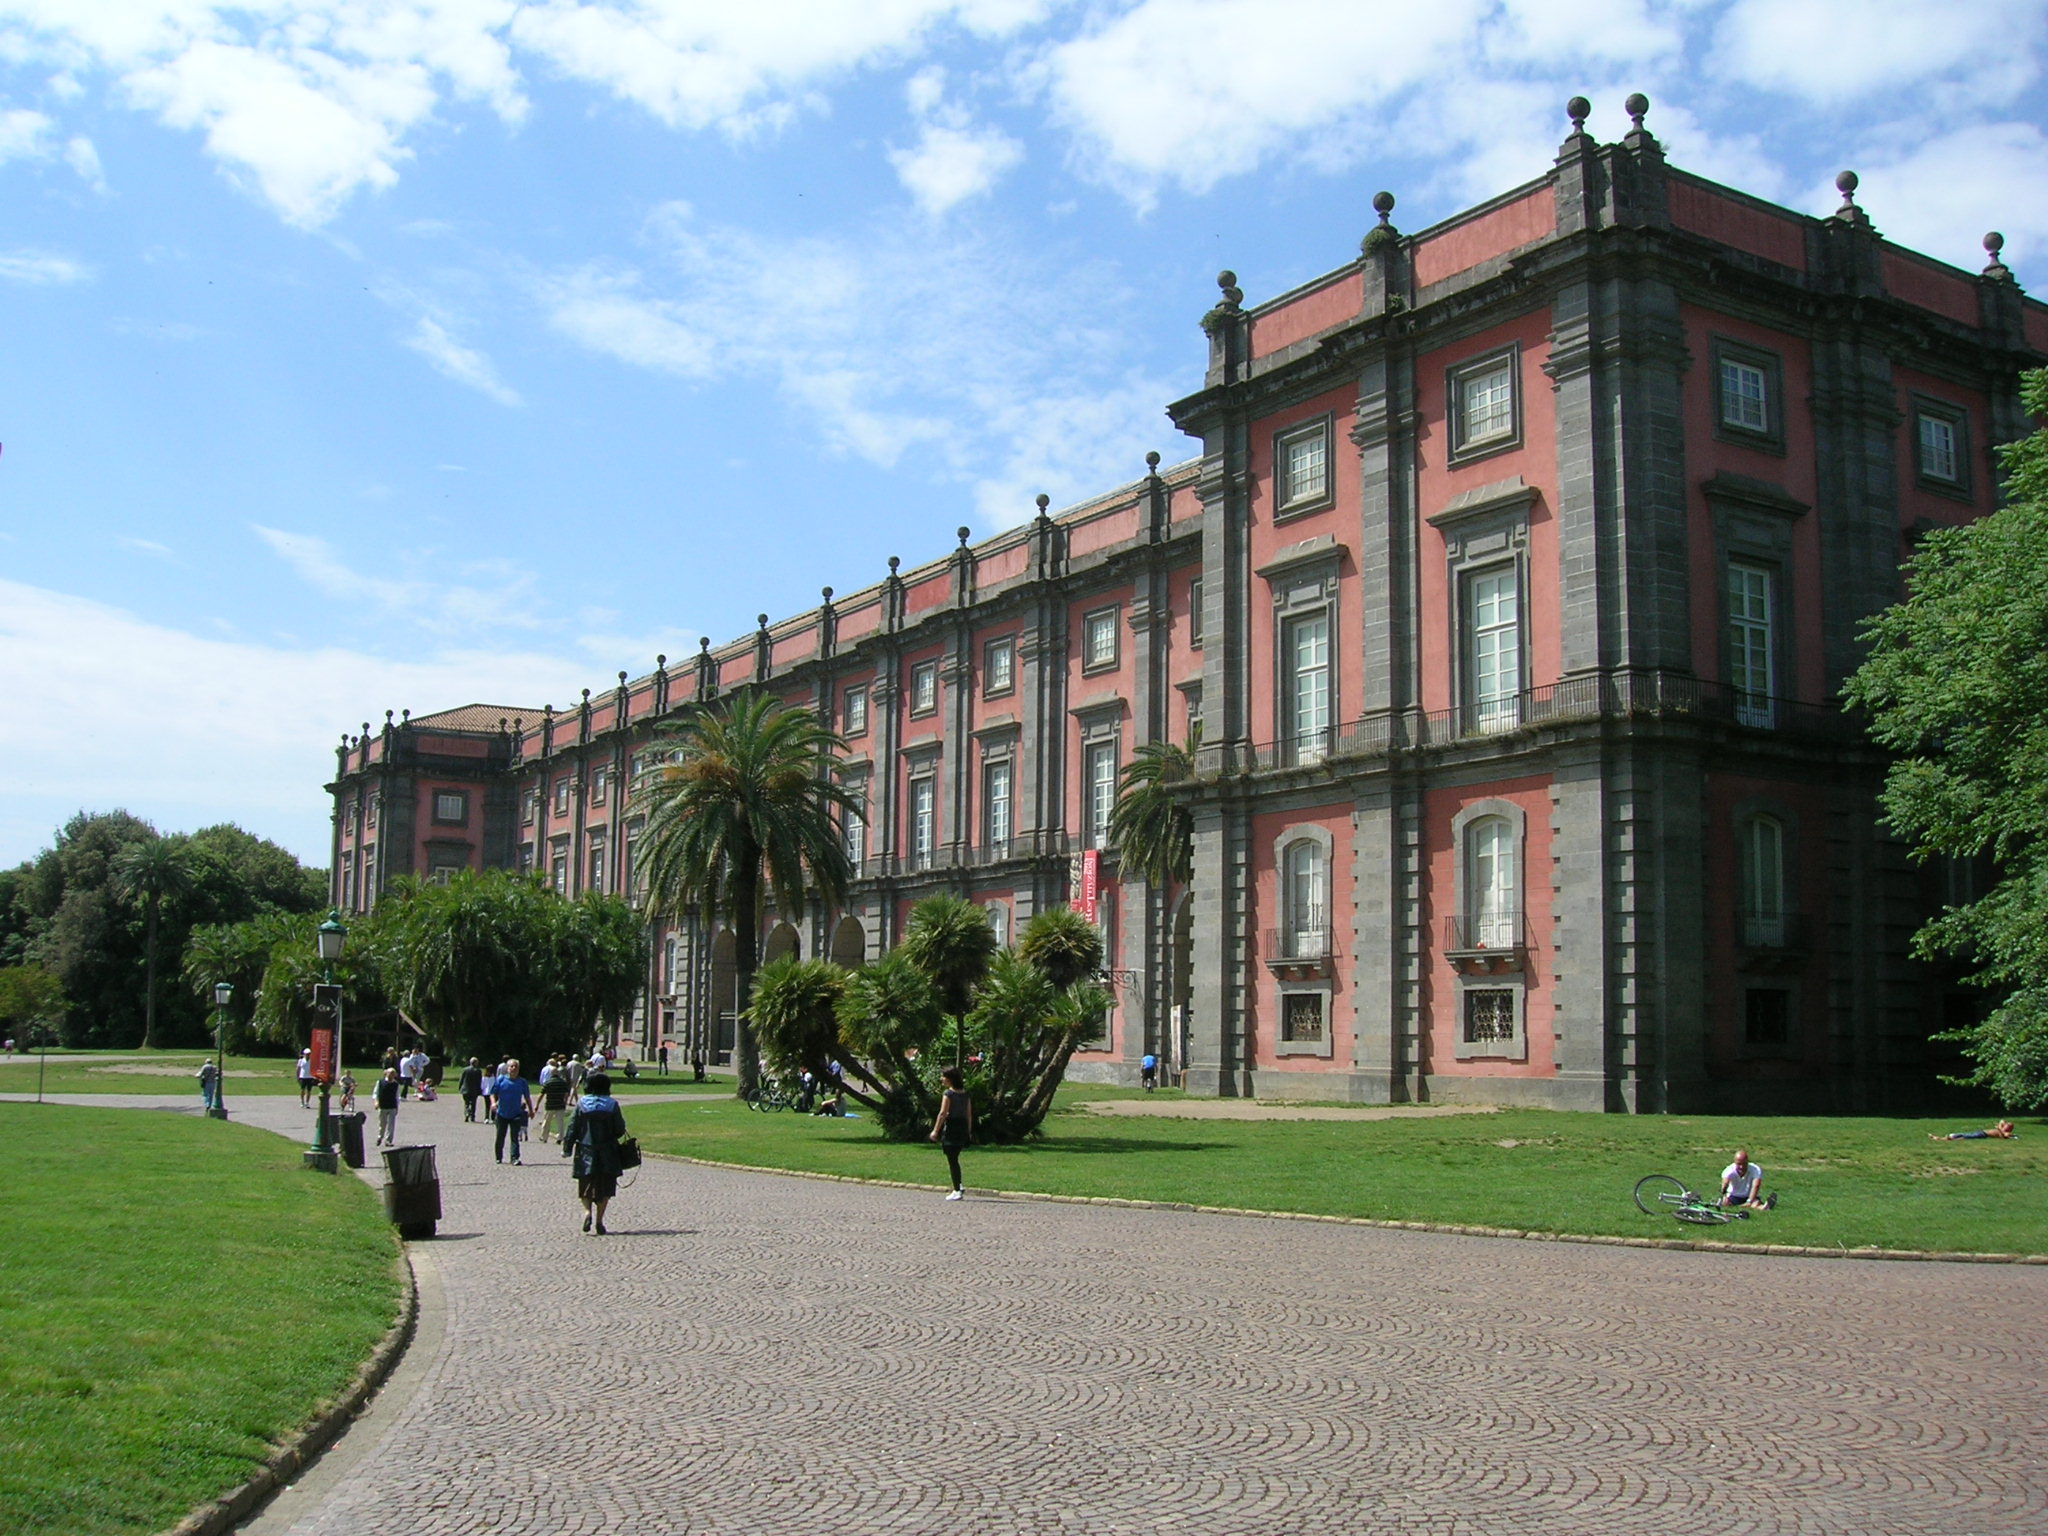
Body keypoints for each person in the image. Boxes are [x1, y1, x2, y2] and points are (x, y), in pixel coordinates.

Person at [562, 1070, 630, 1235]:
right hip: (608, 1151)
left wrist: (567, 1147)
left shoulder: (582, 1104)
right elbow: (620, 1129)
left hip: (586, 1150)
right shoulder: (612, 1105)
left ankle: (587, 1212)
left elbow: (572, 1127)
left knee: (585, 1184)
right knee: (606, 1186)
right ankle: (599, 1220)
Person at [929, 1065, 973, 1201]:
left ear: (950, 1079)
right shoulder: (965, 1094)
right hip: (962, 1126)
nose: (942, 1079)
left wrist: (935, 1131)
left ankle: (957, 1189)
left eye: (944, 1077)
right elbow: (969, 1114)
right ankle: (958, 1183)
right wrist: (968, 1131)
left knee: (952, 1159)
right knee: (955, 1157)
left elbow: (942, 1113)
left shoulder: (948, 1094)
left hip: (952, 1127)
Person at [491, 1059, 535, 1165]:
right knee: (500, 1136)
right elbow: (493, 1093)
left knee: (515, 1137)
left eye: (516, 1067)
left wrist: (531, 1110)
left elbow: (527, 1097)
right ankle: (499, 1156)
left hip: (516, 1113)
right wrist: (493, 1103)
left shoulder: (522, 1082)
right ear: (507, 1068)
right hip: (502, 1113)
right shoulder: (501, 1080)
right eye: (511, 1066)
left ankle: (514, 1157)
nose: (514, 1068)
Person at [537, 1060, 574, 1143]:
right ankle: (560, 1138)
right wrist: (565, 1101)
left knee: (546, 1121)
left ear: (551, 1074)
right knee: (560, 1122)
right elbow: (566, 1093)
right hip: (560, 1104)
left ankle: (544, 1137)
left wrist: (537, 1104)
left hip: (550, 1104)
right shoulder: (562, 1083)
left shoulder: (548, 1082)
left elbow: (542, 1094)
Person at [373, 1067, 402, 1147]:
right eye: (390, 1073)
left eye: (393, 1074)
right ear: (386, 1073)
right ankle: (380, 1137)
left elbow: (397, 1096)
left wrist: (397, 1107)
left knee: (391, 1124)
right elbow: (376, 1093)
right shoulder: (380, 1082)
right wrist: (376, 1102)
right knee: (382, 1123)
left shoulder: (396, 1084)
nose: (391, 1075)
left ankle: (388, 1140)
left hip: (392, 1106)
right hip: (382, 1106)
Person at [1930, 1120, 2017, 1140]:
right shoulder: (2002, 1129)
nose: (2004, 1125)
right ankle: (1943, 1138)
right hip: (1981, 1132)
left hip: (1983, 1135)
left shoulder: (2006, 1133)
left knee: (1966, 1137)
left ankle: (1946, 1139)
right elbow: (2002, 1120)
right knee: (1965, 1135)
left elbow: (2003, 1137)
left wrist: (1999, 1129)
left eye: (2006, 1125)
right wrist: (2000, 1127)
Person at [458, 1057, 484, 1122]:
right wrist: (480, 1089)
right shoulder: (478, 1071)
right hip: (474, 1090)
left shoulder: (465, 1070)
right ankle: (472, 1116)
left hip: (465, 1089)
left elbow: (461, 1079)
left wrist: (460, 1086)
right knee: (473, 1103)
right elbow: (479, 1081)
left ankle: (467, 1113)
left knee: (466, 1103)